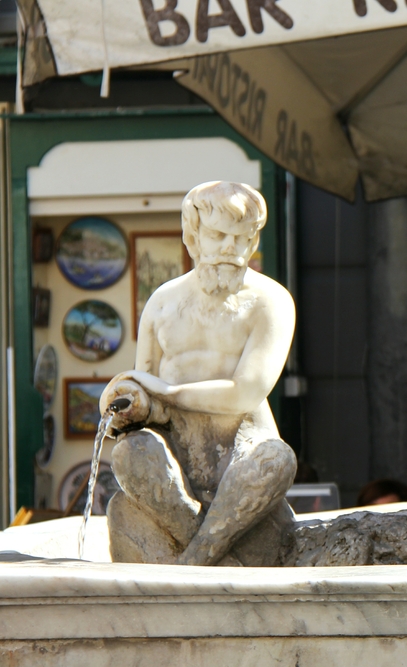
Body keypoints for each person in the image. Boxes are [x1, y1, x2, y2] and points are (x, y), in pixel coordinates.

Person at [99, 181, 297, 567]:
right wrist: (125, 402)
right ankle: (205, 546)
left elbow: (245, 393)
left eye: (242, 238)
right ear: (193, 237)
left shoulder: (270, 301)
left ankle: (193, 559)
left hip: (243, 444)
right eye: (218, 235)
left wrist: (164, 391)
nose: (230, 247)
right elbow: (144, 393)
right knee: (128, 455)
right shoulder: (162, 301)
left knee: (278, 460)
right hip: (175, 444)